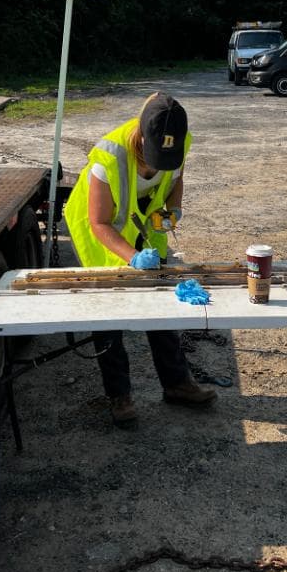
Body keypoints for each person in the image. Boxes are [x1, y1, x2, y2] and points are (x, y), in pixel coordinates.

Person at [63, 92, 217, 427]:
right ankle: (119, 396)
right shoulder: (109, 158)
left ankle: (177, 384)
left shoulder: (179, 141)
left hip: (145, 227)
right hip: (100, 234)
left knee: (160, 307)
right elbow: (100, 223)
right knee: (109, 316)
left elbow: (175, 180)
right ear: (141, 139)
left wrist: (173, 211)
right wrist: (132, 257)